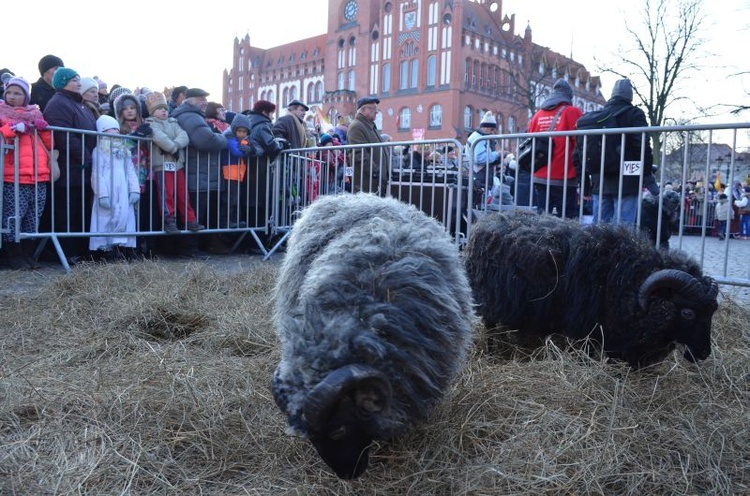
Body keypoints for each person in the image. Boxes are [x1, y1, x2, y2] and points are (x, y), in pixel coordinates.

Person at [577, 78, 657, 224]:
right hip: (627, 181)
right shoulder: (635, 114)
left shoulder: (597, 117)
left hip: (599, 181)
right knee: (623, 228)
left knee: (599, 229)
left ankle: (600, 248)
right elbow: (642, 147)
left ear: (612, 95)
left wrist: (585, 184)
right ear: (630, 96)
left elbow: (580, 153)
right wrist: (647, 174)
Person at [42, 67, 97, 263]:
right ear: (62, 82)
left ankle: (82, 251)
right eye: (73, 79)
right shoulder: (58, 103)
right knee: (67, 211)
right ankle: (68, 252)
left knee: (80, 211)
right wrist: (84, 156)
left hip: (82, 169)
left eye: (78, 78)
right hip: (69, 169)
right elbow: (63, 135)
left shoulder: (78, 104)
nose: (78, 82)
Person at [1, 76, 52, 270]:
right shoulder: (2, 113)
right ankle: (14, 255)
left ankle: (28, 254)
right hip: (13, 175)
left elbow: (49, 143)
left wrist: (43, 128)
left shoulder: (35, 114)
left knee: (33, 216)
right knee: (14, 216)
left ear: (26, 96)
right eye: (9, 92)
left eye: (18, 93)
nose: (12, 96)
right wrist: (13, 128)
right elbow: (3, 134)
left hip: (39, 174)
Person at [172, 87, 229, 254]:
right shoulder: (190, 117)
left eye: (205, 99)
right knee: (196, 213)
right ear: (190, 101)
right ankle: (190, 247)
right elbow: (206, 140)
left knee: (200, 213)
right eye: (201, 99)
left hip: (201, 173)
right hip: (197, 173)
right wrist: (224, 138)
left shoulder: (193, 116)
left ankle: (198, 246)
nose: (205, 102)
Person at [143, 91, 203, 235]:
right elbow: (159, 138)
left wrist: (174, 145)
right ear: (152, 111)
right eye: (159, 108)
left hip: (177, 164)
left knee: (183, 193)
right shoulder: (150, 124)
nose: (163, 110)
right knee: (166, 193)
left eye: (164, 108)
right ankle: (169, 220)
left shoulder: (173, 122)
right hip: (162, 165)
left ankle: (190, 219)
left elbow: (184, 136)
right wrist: (173, 147)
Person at [526, 78, 583, 218]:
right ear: (568, 96)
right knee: (568, 220)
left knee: (543, 220)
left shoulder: (537, 116)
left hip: (540, 176)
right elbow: (581, 142)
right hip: (563, 177)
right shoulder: (572, 112)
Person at [88, 115, 140, 261]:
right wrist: (102, 194)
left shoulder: (124, 151)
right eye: (112, 130)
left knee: (125, 218)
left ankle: (124, 248)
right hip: (108, 190)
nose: (116, 133)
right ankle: (105, 250)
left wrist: (134, 190)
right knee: (105, 219)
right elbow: (97, 174)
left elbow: (130, 171)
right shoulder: (98, 151)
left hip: (122, 191)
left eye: (117, 130)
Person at [346, 96, 390, 196]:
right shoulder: (356, 126)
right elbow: (359, 154)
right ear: (363, 109)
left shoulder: (369, 126)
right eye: (373, 109)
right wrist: (376, 172)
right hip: (367, 184)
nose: (377, 112)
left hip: (374, 182)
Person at [222, 112, 256, 228]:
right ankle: (227, 220)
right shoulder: (230, 138)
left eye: (244, 132)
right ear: (235, 130)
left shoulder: (241, 140)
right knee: (231, 199)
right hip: (230, 173)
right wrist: (247, 150)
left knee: (236, 198)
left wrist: (249, 149)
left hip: (238, 173)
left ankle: (235, 220)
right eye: (239, 131)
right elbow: (236, 152)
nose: (241, 134)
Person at [465, 111, 502, 202]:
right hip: (479, 177)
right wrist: (498, 154)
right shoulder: (479, 138)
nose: (493, 132)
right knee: (478, 202)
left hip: (480, 176)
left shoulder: (480, 137)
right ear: (485, 128)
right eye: (492, 130)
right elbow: (480, 158)